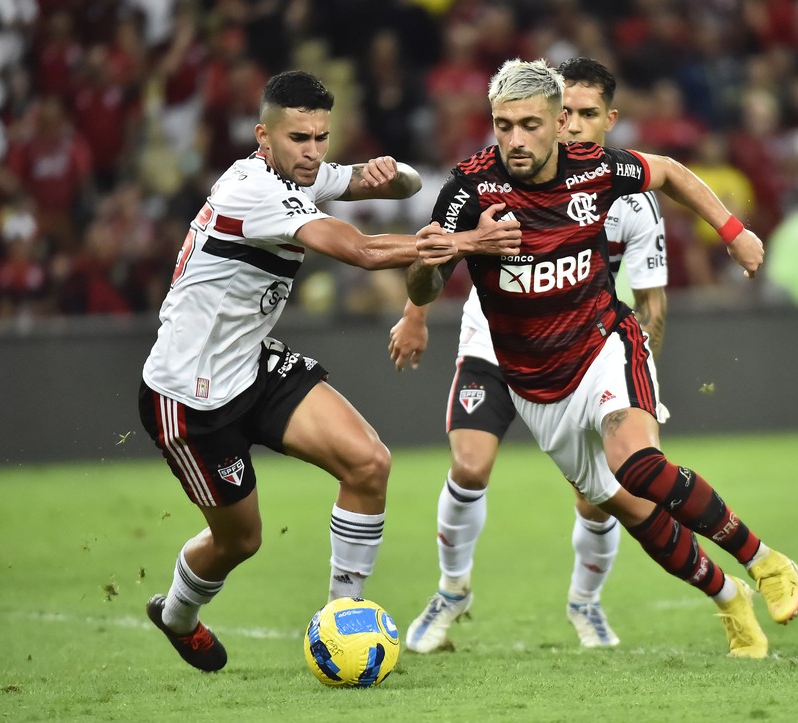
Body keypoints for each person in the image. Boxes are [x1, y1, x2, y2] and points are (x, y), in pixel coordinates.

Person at [406, 58, 798, 659]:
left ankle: (766, 562)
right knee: (629, 507)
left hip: (602, 346)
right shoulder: (468, 189)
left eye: (530, 125)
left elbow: (669, 173)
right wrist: (454, 249)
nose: (516, 140)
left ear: (556, 120)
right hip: (533, 383)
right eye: (503, 125)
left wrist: (733, 230)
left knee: (638, 464)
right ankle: (728, 598)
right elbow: (422, 284)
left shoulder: (597, 171)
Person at [138, 70, 521, 672]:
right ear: (264, 137)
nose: (313, 152)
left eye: (321, 136)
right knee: (241, 540)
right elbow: (364, 252)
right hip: (191, 395)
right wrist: (471, 241)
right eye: (299, 139)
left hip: (252, 366)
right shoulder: (253, 190)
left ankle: (345, 618)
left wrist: (388, 174)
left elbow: (407, 185)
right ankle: (178, 614)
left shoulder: (303, 174)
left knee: (369, 463)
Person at [389, 58, 669, 651]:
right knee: (468, 465)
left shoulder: (630, 198)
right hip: (494, 338)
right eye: (566, 113)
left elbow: (652, 305)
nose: (573, 126)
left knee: (597, 496)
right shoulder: (500, 175)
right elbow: (441, 248)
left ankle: (585, 604)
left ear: (608, 121)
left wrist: (632, 386)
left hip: (580, 350)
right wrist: (414, 314)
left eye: (588, 115)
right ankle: (452, 591)